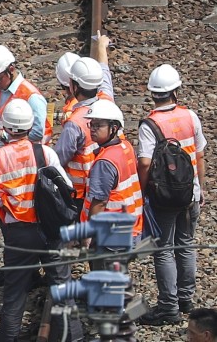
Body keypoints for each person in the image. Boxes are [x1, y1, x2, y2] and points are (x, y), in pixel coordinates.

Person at [0, 100, 83, 342]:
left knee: (15, 294)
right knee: (63, 288)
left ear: (5, 128)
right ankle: (73, 338)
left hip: (19, 233)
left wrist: (1, 200)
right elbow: (67, 187)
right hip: (51, 229)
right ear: (29, 126)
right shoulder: (45, 152)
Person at [137, 64, 207, 326]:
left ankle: (168, 307)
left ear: (152, 94)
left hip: (163, 198)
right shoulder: (190, 116)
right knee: (186, 243)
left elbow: (144, 163)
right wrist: (201, 188)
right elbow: (199, 155)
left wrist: (142, 192)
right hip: (190, 192)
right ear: (175, 91)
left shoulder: (150, 124)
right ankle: (186, 298)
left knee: (163, 249)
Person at [80, 100, 143, 240]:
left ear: (114, 128)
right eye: (91, 124)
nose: (92, 129)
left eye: (98, 125)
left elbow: (99, 202)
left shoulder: (105, 162)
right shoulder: (125, 147)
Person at [54, 57, 109, 201]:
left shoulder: (75, 123)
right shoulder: (108, 106)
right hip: (107, 184)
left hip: (80, 193)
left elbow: (58, 158)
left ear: (75, 87)